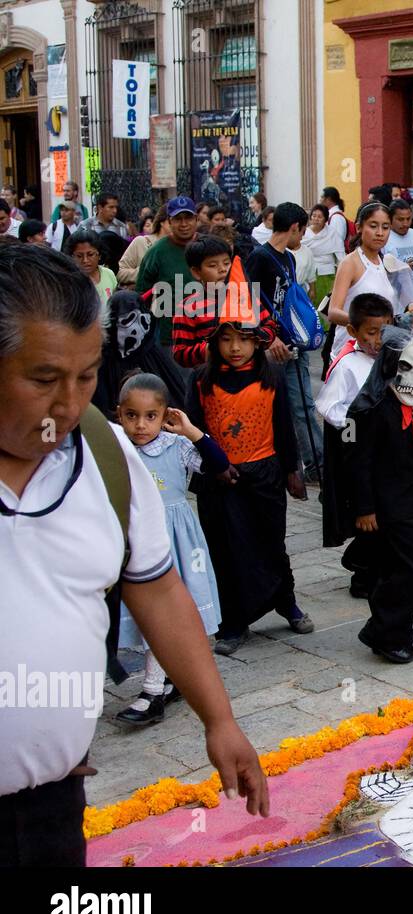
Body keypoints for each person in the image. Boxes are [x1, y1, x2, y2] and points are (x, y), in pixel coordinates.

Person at [0, 244, 268, 865]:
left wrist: (218, 717)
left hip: (52, 809)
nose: (69, 404)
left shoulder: (108, 457)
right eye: (43, 379)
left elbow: (157, 588)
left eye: (87, 375)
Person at [188, 307, 312, 657]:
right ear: (214, 342)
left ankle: (286, 603)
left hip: (265, 474)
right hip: (220, 480)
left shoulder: (270, 374)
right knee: (226, 550)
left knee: (272, 543)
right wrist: (214, 465)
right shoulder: (200, 380)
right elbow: (192, 431)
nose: (235, 347)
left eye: (243, 339)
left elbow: (284, 425)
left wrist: (292, 470)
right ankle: (233, 622)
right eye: (226, 339)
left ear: (257, 342)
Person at [112, 374, 228, 724]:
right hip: (135, 542)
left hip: (175, 542)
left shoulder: (176, 447)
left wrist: (190, 430)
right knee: (149, 615)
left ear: (166, 416)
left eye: (151, 416)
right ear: (119, 414)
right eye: (131, 415)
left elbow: (219, 465)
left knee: (166, 615)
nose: (141, 424)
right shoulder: (116, 448)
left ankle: (152, 690)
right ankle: (164, 681)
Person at [345, 326, 413, 664]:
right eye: (408, 370)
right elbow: (358, 464)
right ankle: (383, 632)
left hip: (412, 501)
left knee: (410, 567)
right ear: (390, 367)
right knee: (408, 567)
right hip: (387, 507)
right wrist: (365, 508)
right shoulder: (372, 410)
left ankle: (400, 631)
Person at [317, 293, 393, 599]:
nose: (377, 340)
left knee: (386, 513)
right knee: (368, 513)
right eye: (370, 333)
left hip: (387, 452)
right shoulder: (347, 365)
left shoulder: (391, 359)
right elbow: (327, 407)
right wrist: (356, 425)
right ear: (353, 332)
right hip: (359, 450)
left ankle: (369, 563)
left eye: (383, 332)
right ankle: (363, 573)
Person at [245, 202, 323, 483]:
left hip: (293, 343)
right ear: (294, 228)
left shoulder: (289, 258)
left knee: (303, 404)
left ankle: (315, 462)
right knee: (282, 406)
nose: (301, 238)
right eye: (301, 232)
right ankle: (306, 462)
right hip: (271, 346)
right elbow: (248, 304)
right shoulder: (259, 258)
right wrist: (268, 339)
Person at [172, 234, 274, 368]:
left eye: (226, 263)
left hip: (251, 376)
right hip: (210, 379)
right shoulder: (188, 308)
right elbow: (180, 354)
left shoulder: (245, 297)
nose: (222, 269)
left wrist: (254, 338)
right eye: (213, 265)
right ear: (196, 272)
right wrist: (210, 349)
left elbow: (270, 326)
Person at [92, 290, 189, 424]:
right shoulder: (102, 362)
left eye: (140, 320)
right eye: (126, 321)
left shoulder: (155, 356)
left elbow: (176, 401)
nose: (134, 329)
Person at [328, 201, 402, 360]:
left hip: (377, 351)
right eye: (373, 226)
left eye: (385, 227)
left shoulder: (384, 262)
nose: (380, 233)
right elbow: (333, 312)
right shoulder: (350, 263)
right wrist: (366, 323)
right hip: (350, 352)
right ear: (359, 227)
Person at [137, 196, 200, 347]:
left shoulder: (208, 247)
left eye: (188, 218)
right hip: (171, 337)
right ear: (169, 222)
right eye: (178, 219)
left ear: (196, 220)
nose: (184, 224)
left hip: (206, 334)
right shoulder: (157, 252)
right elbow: (141, 295)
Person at [384, 197, 413, 298]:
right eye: (400, 219)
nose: (405, 223)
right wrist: (402, 268)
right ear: (390, 219)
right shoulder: (384, 238)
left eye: (408, 219)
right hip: (395, 302)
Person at [68, 231, 117, 321]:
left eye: (90, 255)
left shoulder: (108, 274)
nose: (85, 260)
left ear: (99, 255)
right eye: (79, 256)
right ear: (71, 257)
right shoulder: (69, 281)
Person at [301, 203, 343, 303]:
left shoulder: (332, 234)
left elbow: (341, 257)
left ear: (325, 219)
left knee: (324, 307)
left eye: (320, 217)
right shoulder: (304, 233)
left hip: (327, 274)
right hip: (306, 275)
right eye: (314, 216)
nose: (316, 219)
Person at [117, 208, 167, 288]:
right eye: (176, 219)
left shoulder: (184, 246)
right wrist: (145, 273)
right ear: (162, 222)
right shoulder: (141, 242)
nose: (182, 224)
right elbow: (120, 272)